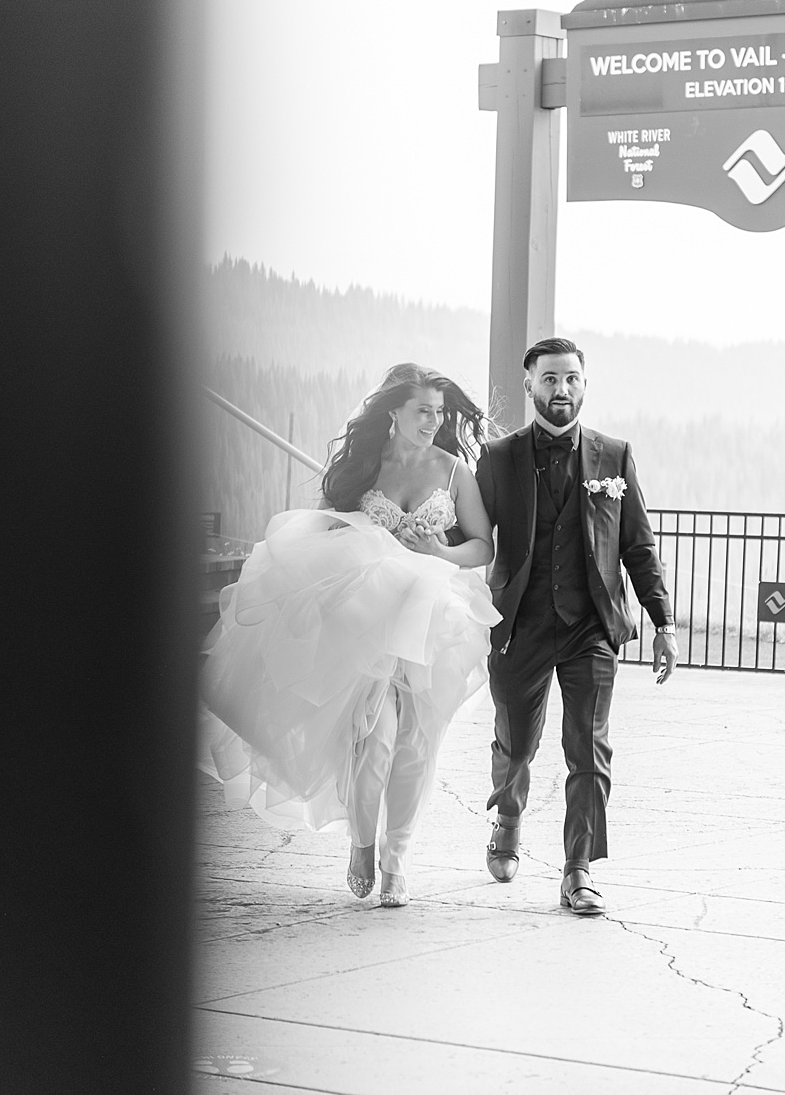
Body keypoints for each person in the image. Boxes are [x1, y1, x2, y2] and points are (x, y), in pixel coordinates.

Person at [200, 365, 497, 908]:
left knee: (414, 745)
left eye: (439, 412)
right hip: (366, 627)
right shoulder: (364, 467)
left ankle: (397, 858)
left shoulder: (454, 472)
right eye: (422, 411)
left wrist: (441, 553)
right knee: (376, 741)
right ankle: (362, 843)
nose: (433, 422)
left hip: (432, 623)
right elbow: (318, 536)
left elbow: (482, 546)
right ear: (393, 412)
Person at [475, 336, 677, 917]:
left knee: (588, 749)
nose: (560, 389)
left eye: (571, 379)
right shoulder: (497, 459)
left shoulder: (614, 456)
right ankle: (508, 817)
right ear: (529, 385)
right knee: (516, 743)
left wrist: (662, 620)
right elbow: (469, 539)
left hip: (592, 625)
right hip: (520, 626)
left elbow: (638, 546)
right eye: (549, 379)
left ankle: (577, 871)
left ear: (584, 385)